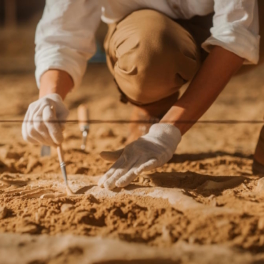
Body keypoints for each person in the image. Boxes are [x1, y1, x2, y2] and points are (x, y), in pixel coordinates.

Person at [22, 0, 261, 190]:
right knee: (148, 52)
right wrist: (50, 95)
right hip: (150, 32)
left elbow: (237, 33)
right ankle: (153, 103)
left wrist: (167, 132)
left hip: (253, 26)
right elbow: (63, 33)